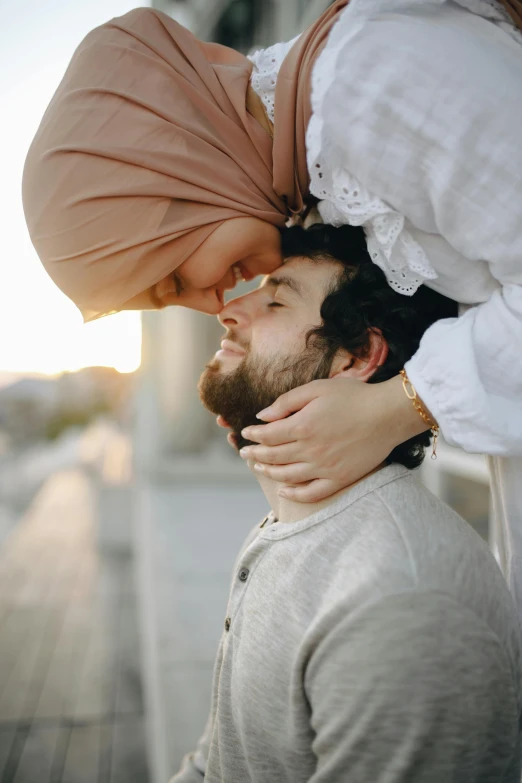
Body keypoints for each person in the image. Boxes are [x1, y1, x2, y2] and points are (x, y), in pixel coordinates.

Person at [22, 2, 522, 615]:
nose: (211, 305)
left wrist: (398, 406)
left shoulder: (376, 88)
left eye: (175, 276)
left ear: (183, 177)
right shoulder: (310, 168)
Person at [170, 223, 522, 782]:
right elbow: (217, 765)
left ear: (358, 357)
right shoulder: (295, 527)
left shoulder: (401, 600)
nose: (230, 309)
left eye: (277, 299)